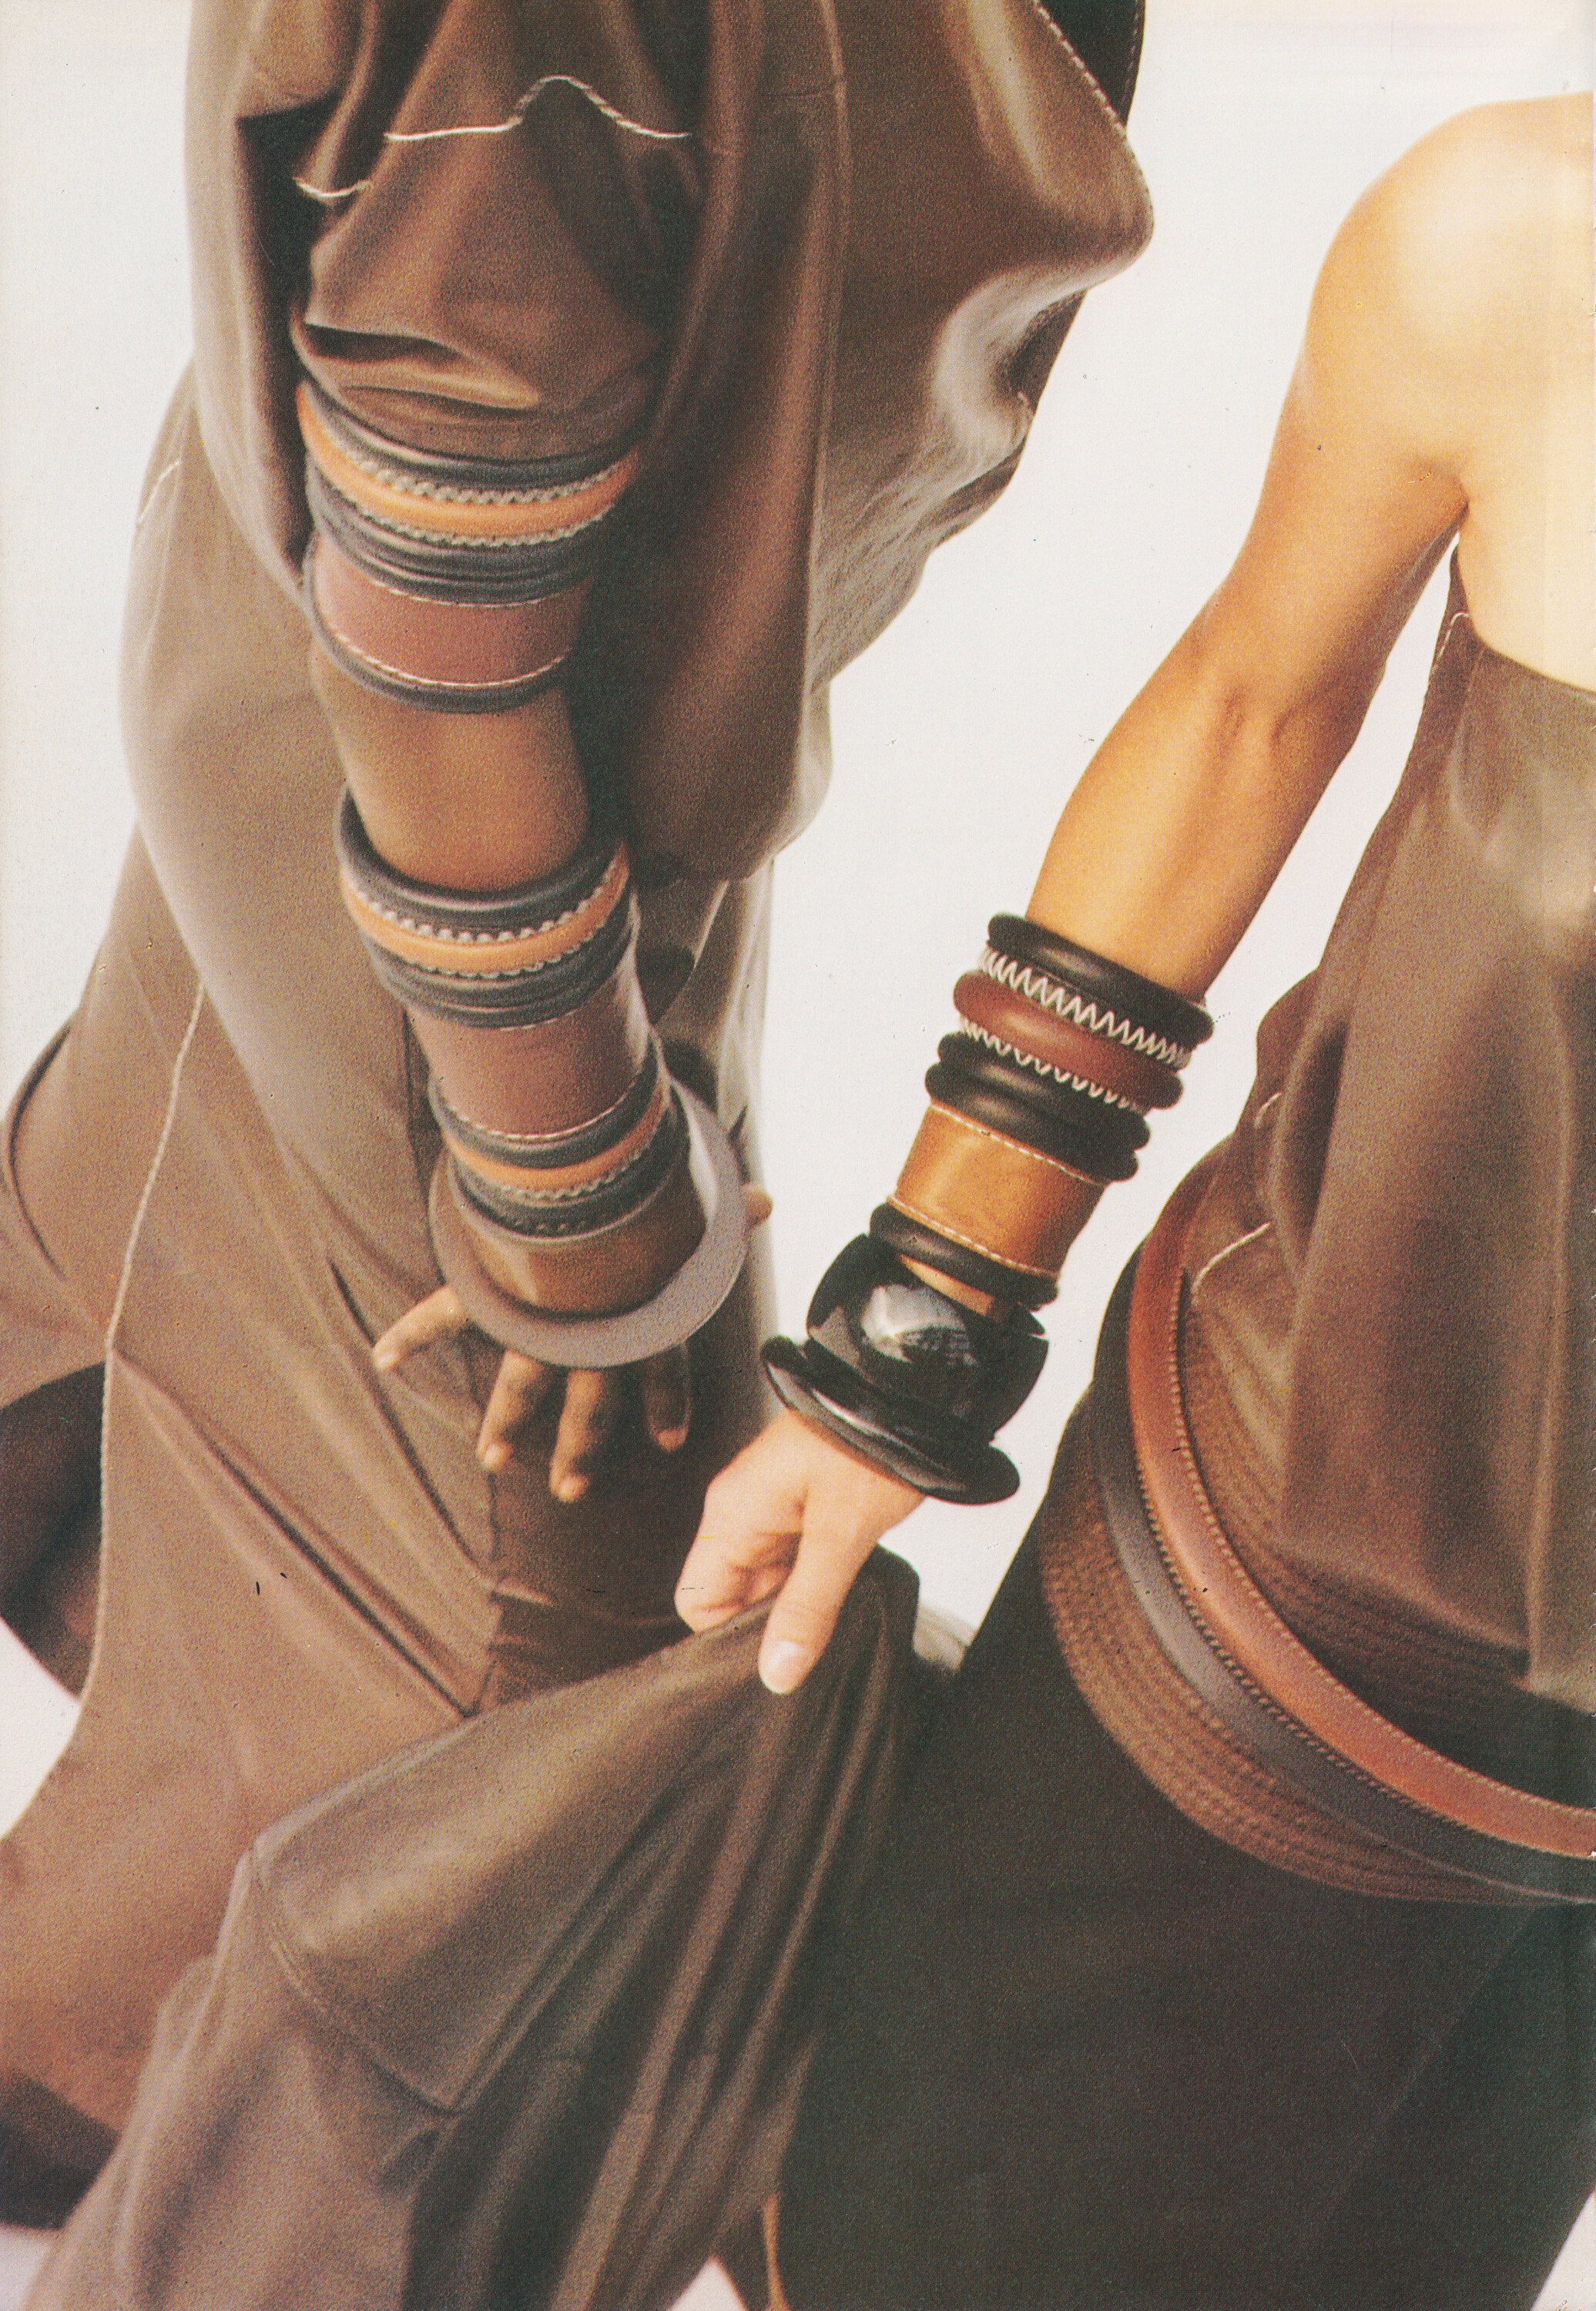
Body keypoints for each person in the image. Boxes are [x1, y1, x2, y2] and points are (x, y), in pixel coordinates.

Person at [0, 0, 1154, 2221]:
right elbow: (437, 644)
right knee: (563, 1687)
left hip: (464, 788)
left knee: (296, 1462)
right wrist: (586, 1215)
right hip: (449, 877)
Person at [677, 92, 1596, 2308]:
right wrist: (905, 1353)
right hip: (1290, 1568)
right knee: (923, 2259)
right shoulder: (1521, 245)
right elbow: (1245, 713)